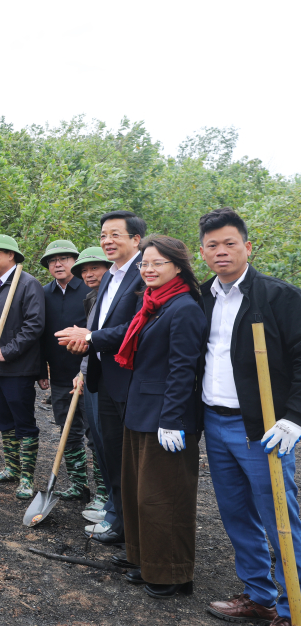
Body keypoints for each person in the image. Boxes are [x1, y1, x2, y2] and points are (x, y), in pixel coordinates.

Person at [197, 209, 301, 626]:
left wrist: (294, 417)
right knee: (236, 514)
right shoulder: (202, 297)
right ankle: (260, 595)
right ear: (202, 252)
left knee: (280, 517)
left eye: (230, 243)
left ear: (247, 247)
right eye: (212, 245)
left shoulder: (279, 297)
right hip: (215, 422)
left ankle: (294, 608)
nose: (221, 252)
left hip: (264, 428)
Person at [116, 235, 205, 598]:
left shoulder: (184, 307)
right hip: (141, 411)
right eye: (144, 264)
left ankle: (173, 574)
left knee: (164, 498)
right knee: (139, 495)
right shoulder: (154, 303)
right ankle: (147, 561)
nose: (148, 270)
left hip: (166, 418)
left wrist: (172, 419)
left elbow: (183, 369)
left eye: (157, 263)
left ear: (178, 267)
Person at [56, 210, 147, 544]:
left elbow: (136, 328)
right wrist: (85, 346)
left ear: (136, 239)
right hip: (100, 377)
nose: (107, 241)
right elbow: (98, 326)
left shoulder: (143, 276)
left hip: (128, 380)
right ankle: (116, 518)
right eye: (103, 235)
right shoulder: (111, 276)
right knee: (108, 451)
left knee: (125, 455)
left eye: (115, 235)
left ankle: (128, 526)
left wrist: (90, 337)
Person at [0, 234, 45, 499]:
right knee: (2, 421)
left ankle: (27, 477)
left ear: (11, 255)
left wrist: (6, 352)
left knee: (23, 422)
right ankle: (12, 469)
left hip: (18, 368)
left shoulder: (28, 284)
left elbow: (34, 326)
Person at [37, 240, 91, 500]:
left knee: (95, 433)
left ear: (75, 261)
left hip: (89, 374)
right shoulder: (43, 293)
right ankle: (79, 485)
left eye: (64, 259)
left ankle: (105, 492)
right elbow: (40, 333)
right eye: (52, 260)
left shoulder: (89, 290)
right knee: (68, 432)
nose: (58, 264)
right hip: (59, 375)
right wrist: (41, 370)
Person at [70, 246, 112, 523]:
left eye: (94, 268)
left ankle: (110, 497)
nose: (88, 274)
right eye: (84, 270)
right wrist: (82, 371)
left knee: (108, 440)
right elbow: (90, 341)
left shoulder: (119, 297)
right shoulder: (91, 298)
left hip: (113, 379)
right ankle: (104, 495)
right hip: (92, 375)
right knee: (94, 435)